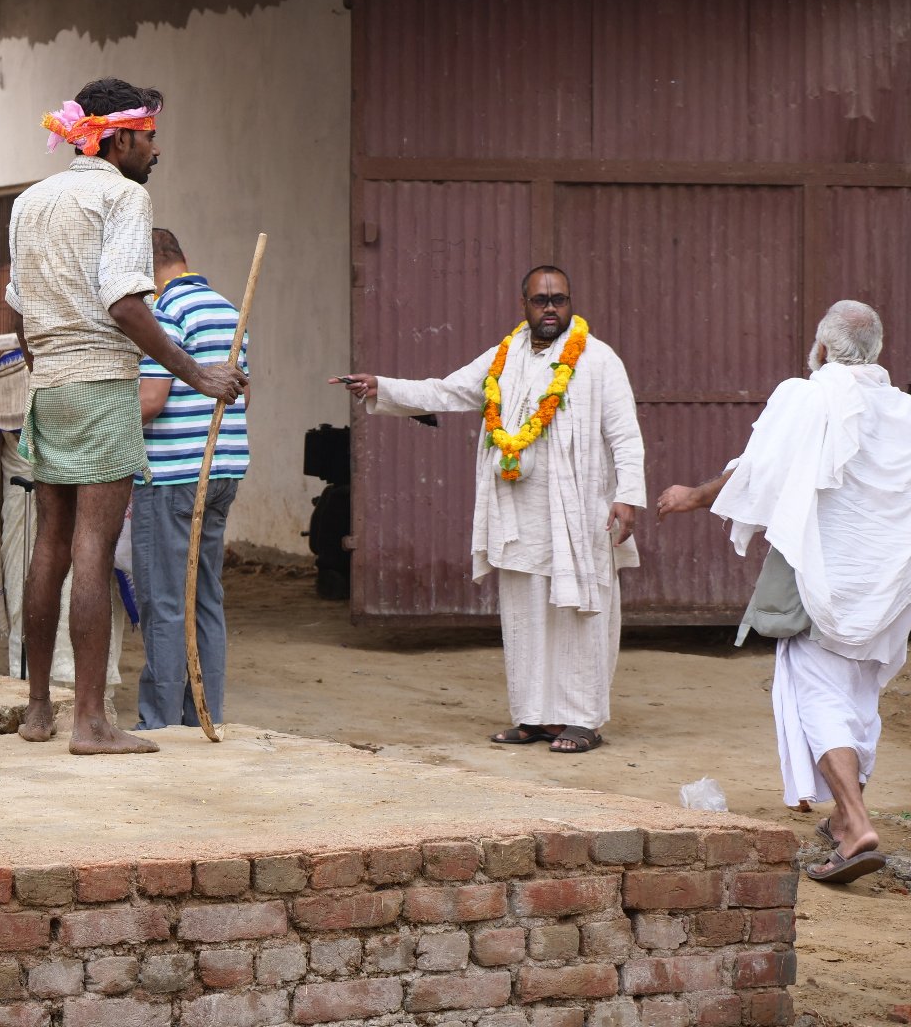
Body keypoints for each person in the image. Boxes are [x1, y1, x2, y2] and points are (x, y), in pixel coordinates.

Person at [6, 77, 246, 755]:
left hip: (48, 385)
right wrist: (198, 373)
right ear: (121, 136)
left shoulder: (31, 200)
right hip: (101, 383)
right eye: (150, 137)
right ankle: (89, 721)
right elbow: (124, 303)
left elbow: (20, 309)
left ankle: (37, 712)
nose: (156, 150)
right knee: (90, 547)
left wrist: (45, 368)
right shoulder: (124, 195)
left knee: (49, 544)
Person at [333, 266, 645, 754]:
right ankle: (534, 718)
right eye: (540, 300)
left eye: (559, 300)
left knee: (581, 614)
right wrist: (382, 387)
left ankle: (582, 719)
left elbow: (624, 434)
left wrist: (627, 496)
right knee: (524, 616)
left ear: (571, 304)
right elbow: (447, 391)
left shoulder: (599, 360)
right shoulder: (505, 355)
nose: (549, 308)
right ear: (523, 304)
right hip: (518, 513)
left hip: (581, 514)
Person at [657, 300, 911, 884]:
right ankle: (847, 826)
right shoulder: (900, 409)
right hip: (887, 587)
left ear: (822, 350)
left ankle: (855, 819)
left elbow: (757, 469)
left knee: (817, 696)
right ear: (877, 353)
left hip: (825, 582)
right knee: (860, 700)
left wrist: (694, 496)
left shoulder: (808, 394)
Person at [0, 337, 136, 706]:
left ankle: (83, 698)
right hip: (24, 507)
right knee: (33, 584)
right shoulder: (9, 372)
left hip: (86, 497)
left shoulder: (100, 364)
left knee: (86, 577)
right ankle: (34, 696)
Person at [132, 228, 250, 730]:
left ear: (145, 263)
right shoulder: (226, 309)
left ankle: (159, 722)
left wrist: (99, 416)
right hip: (221, 468)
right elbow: (243, 392)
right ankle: (205, 714)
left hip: (174, 477)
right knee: (203, 597)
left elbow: (151, 402)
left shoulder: (163, 313)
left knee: (162, 598)